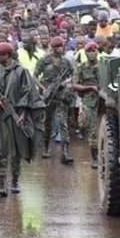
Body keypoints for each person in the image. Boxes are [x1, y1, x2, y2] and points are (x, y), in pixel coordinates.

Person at [0, 41, 45, 196]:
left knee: (16, 152)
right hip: (0, 117)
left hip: (17, 116)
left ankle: (14, 181)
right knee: (0, 150)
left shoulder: (21, 71)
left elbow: (28, 92)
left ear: (7, 55)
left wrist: (23, 114)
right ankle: (1, 183)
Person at [35, 36, 75, 164]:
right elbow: (34, 76)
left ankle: (64, 151)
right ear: (52, 48)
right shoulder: (44, 61)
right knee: (47, 124)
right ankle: (46, 147)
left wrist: (65, 82)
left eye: (62, 46)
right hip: (48, 96)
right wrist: (43, 88)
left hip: (61, 95)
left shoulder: (66, 62)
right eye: (58, 46)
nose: (60, 49)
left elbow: (74, 75)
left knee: (63, 123)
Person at [73, 41, 101, 168]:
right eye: (89, 51)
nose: (92, 53)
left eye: (94, 51)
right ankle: (95, 158)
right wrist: (90, 87)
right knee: (92, 130)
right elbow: (74, 84)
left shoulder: (103, 67)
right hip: (89, 101)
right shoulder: (81, 67)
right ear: (85, 53)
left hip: (103, 101)